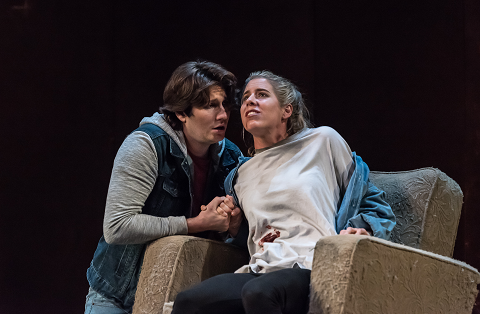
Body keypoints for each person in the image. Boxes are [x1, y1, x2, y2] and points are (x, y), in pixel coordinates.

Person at [171, 70, 396, 314]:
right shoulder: (239, 174)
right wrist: (233, 224)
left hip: (311, 264)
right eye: (246, 97)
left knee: (259, 294)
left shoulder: (323, 141)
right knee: (188, 302)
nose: (250, 101)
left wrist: (363, 227)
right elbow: (254, 233)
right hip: (262, 268)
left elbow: (370, 199)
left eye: (262, 94)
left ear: (286, 110)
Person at [85, 61, 244, 314]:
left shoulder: (231, 157)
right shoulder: (147, 145)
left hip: (179, 294)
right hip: (118, 294)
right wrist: (198, 223)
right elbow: (117, 226)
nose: (223, 114)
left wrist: (230, 222)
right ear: (181, 113)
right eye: (210, 105)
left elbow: (241, 237)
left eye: (225, 104)